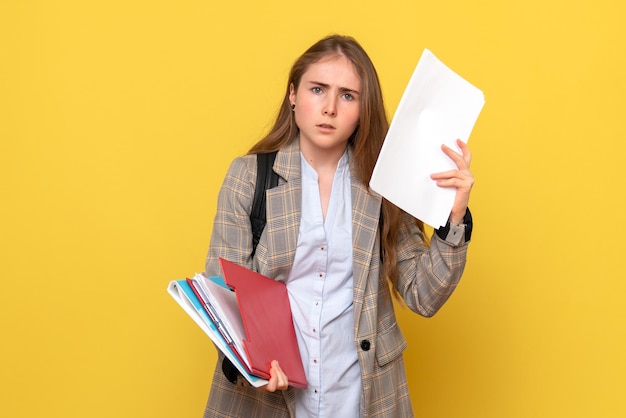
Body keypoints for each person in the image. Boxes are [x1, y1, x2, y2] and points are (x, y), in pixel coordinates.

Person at [203, 34, 474, 418]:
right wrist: (253, 361)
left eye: (348, 95)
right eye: (318, 89)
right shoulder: (249, 177)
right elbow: (222, 293)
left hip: (362, 396)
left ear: (363, 109)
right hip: (269, 395)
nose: (329, 107)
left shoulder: (382, 185)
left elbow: (423, 294)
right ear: (293, 95)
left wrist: (454, 216)